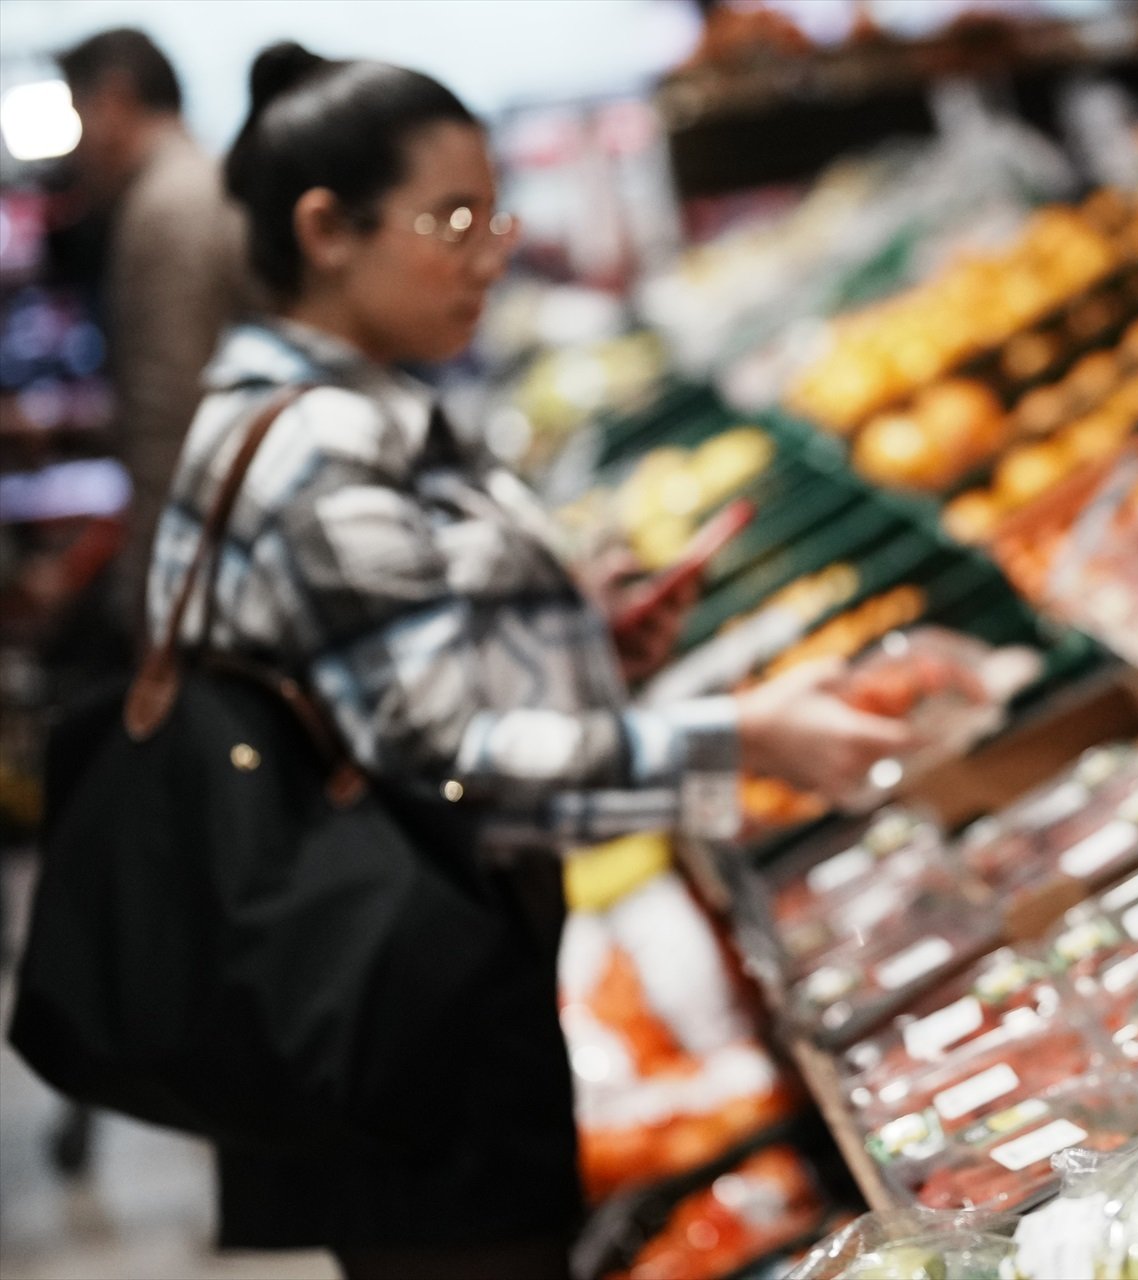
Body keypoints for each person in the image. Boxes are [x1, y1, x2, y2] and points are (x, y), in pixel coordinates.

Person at [160, 41, 914, 1279]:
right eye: (449, 219)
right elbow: (449, 757)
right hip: (400, 1018)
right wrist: (750, 734)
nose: (490, 250)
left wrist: (575, 643)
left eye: (492, 210)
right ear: (325, 229)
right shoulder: (318, 446)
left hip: (402, 986)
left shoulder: (330, 407)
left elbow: (382, 682)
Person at [57, 29, 258, 645]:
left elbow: (169, 421)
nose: (77, 146)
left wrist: (150, 598)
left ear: (113, 101)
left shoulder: (165, 206)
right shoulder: (205, 178)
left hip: (209, 573)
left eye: (77, 115)